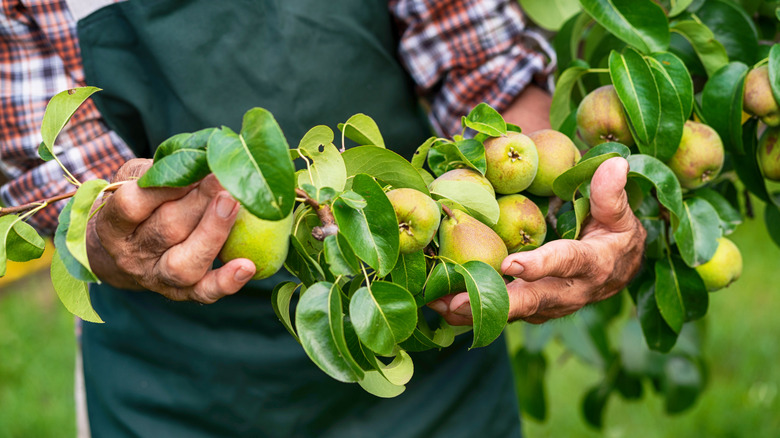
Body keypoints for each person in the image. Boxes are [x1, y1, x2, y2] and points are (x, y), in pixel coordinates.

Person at [0, 0, 645, 436]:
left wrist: (552, 198)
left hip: (426, 358)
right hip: (171, 387)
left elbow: (478, 58)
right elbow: (63, 171)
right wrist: (109, 230)